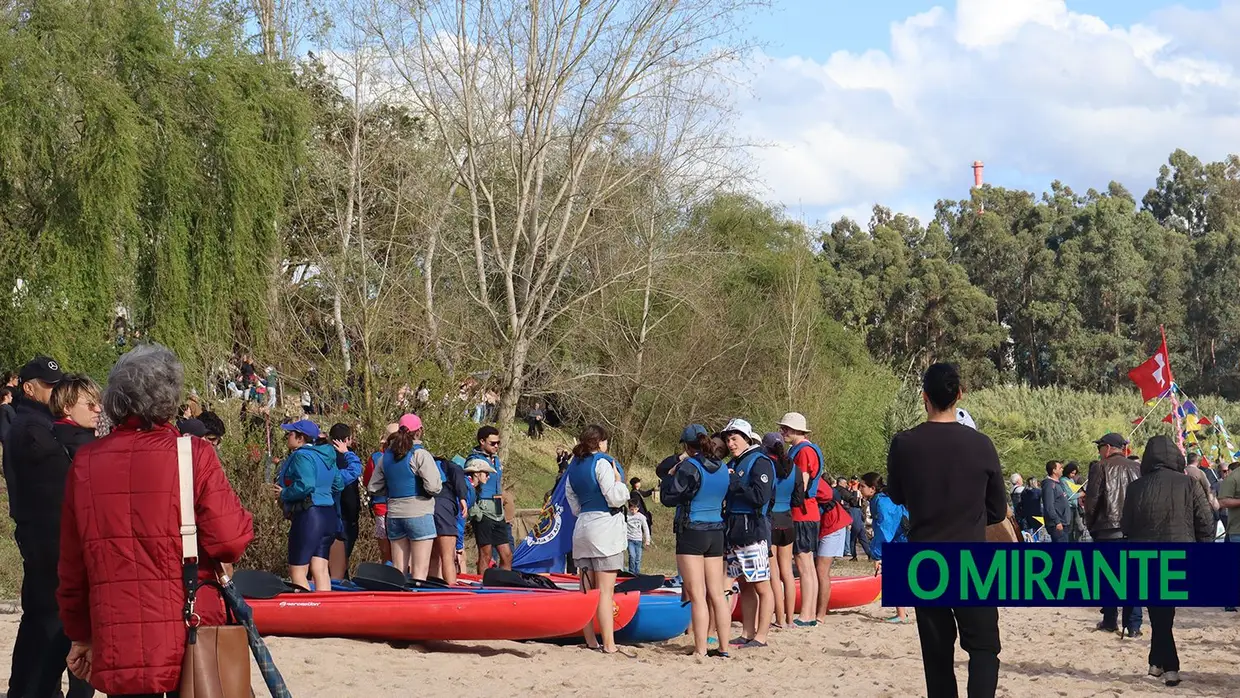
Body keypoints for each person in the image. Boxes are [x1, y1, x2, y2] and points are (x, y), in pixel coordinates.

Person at [58, 344, 253, 697]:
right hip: (188, 627)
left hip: (119, 634)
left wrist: (80, 633)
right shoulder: (193, 454)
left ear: (116, 398)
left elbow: (73, 566)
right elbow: (230, 540)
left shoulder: (85, 463)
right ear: (170, 397)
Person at [886, 363, 1006, 698]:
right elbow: (997, 510)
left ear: (924, 397)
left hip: (923, 559)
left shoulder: (904, 444)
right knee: (984, 648)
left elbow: (896, 494)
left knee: (937, 656)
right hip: (972, 559)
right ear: (959, 395)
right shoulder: (981, 445)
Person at [2, 355, 72, 698]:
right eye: (48, 386)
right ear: (29, 388)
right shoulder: (32, 429)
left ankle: (30, 688)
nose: (54, 392)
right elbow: (58, 481)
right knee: (49, 623)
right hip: (46, 538)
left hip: (41, 537)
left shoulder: (37, 425)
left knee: (39, 622)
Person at [1121, 435, 1214, 688]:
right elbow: (1206, 521)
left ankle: (1156, 661)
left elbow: (1125, 526)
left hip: (1144, 554)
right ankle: (1170, 666)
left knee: (1158, 610)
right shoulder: (1189, 483)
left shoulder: (1135, 488)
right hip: (1179, 553)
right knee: (1164, 611)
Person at [660, 424, 732, 656]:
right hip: (717, 531)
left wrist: (669, 479)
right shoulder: (722, 468)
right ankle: (723, 647)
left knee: (698, 595)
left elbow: (671, 498)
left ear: (687, 446)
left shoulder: (689, 466)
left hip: (692, 530)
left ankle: (700, 649)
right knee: (718, 594)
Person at [564, 424, 630, 653]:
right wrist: (619, 482)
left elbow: (572, 501)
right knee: (605, 591)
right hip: (605, 528)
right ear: (601, 442)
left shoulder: (573, 466)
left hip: (582, 526)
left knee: (586, 588)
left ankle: (591, 639)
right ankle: (609, 645)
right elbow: (614, 497)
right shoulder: (602, 462)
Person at [720, 418, 774, 649]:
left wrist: (735, 482)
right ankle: (747, 631)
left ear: (747, 438)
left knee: (762, 586)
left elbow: (760, 497)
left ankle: (761, 636)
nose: (730, 444)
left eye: (734, 438)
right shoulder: (736, 461)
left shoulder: (759, 461)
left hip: (752, 530)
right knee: (745, 585)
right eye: (728, 439)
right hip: (734, 529)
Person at [368, 413, 443, 580]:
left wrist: (392, 490)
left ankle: (398, 600)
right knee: (419, 571)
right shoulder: (420, 454)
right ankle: (417, 599)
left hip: (394, 514)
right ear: (420, 431)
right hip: (420, 513)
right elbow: (434, 487)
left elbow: (373, 487)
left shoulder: (385, 457)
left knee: (398, 571)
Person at [1085, 432, 1143, 637]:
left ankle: (1110, 620)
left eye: (1099, 447)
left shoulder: (1100, 467)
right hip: (1135, 531)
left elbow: (1092, 501)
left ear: (1108, 447)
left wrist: (1090, 524)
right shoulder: (1137, 467)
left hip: (1107, 529)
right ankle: (1134, 626)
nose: (1099, 451)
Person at [275, 419, 340, 591]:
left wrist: (284, 493)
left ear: (300, 438)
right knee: (320, 569)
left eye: (290, 433)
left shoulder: (301, 455)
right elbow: (338, 484)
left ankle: (306, 613)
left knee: (297, 571)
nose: (287, 437)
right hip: (329, 515)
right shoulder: (328, 455)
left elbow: (306, 485)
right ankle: (326, 614)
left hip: (310, 516)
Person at [777, 411, 823, 627]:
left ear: (796, 430)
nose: (782, 432)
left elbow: (801, 485)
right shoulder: (805, 449)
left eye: (785, 428)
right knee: (809, 565)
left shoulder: (803, 452)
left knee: (804, 564)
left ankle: (806, 614)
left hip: (802, 513)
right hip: (810, 512)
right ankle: (810, 612)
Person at [860, 471, 909, 623]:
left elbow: (884, 529)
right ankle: (902, 613)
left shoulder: (882, 503)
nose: (859, 489)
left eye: (862, 486)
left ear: (872, 488)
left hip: (902, 539)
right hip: (899, 539)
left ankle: (902, 615)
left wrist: (877, 555)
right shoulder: (879, 500)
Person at [762, 432, 797, 629]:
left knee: (774, 573)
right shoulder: (794, 468)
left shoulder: (766, 466)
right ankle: (790, 620)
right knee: (788, 572)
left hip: (771, 519)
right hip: (788, 519)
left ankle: (780, 619)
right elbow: (799, 497)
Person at [466, 425, 512, 571]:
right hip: (483, 511)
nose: (496, 446)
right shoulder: (474, 460)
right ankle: (483, 587)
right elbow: (468, 486)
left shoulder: (496, 460)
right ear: (482, 441)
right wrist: (476, 513)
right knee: (485, 554)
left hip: (498, 511)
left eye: (498, 443)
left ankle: (505, 585)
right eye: (492, 443)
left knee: (507, 554)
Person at [328, 423, 364, 578]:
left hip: (326, 513)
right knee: (340, 560)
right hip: (344, 516)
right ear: (348, 440)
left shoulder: (324, 457)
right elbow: (355, 470)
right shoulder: (348, 461)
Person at [431, 452, 469, 585]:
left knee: (433, 556)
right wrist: (463, 498)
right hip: (444, 506)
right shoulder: (450, 466)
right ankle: (452, 588)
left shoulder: (424, 464)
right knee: (448, 556)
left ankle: (430, 588)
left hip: (422, 508)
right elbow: (458, 478)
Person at [1042, 461, 1069, 542]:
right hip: (1057, 524)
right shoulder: (1049, 485)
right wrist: (1057, 521)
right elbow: (1049, 506)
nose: (1062, 469)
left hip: (1064, 522)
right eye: (1060, 468)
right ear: (1054, 470)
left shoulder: (1057, 484)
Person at [625, 497, 652, 574]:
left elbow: (645, 528)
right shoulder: (626, 516)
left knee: (638, 558)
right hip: (629, 539)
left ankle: (637, 572)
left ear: (638, 508)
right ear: (629, 508)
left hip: (638, 540)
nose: (634, 511)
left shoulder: (641, 517)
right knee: (632, 556)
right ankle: (631, 572)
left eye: (636, 509)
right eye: (632, 509)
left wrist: (647, 540)